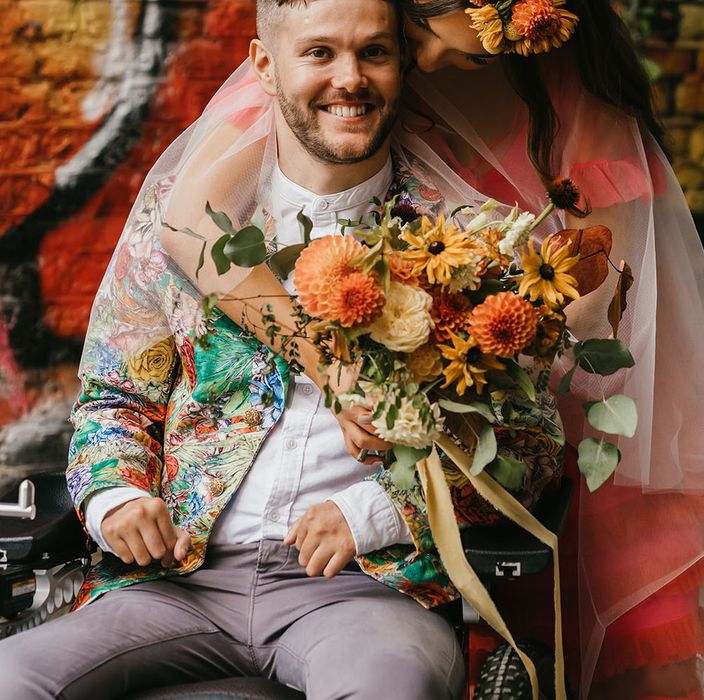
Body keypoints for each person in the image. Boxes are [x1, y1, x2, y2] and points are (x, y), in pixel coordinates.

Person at [154, 1, 704, 699]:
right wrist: (337, 368)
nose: (429, 63)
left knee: (626, 656)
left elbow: (600, 298)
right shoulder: (347, 49)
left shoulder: (577, 96)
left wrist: (468, 346)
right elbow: (187, 226)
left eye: (470, 57)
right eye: (413, 37)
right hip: (398, 434)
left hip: (548, 402)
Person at [0, 1, 532, 697]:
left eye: (373, 53)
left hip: (364, 593)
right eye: (319, 54)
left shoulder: (459, 243)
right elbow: (114, 398)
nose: (351, 78)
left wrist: (374, 512)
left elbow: (529, 446)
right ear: (264, 66)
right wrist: (113, 497)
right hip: (175, 586)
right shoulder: (183, 223)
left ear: (401, 65)